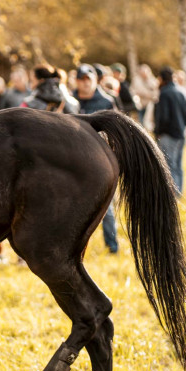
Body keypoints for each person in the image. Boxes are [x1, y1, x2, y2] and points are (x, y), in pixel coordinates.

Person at [74, 64, 119, 253]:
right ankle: (76, 247)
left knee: (105, 207)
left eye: (88, 79)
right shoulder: (70, 102)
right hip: (73, 160)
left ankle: (112, 246)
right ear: (76, 81)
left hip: (101, 160)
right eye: (82, 79)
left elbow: (117, 132)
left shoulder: (107, 103)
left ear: (95, 81)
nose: (85, 84)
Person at [153, 66, 186, 196]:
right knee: (178, 165)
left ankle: (172, 195)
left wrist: (158, 131)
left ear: (162, 79)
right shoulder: (181, 92)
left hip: (168, 133)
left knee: (169, 165)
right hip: (181, 133)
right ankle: (178, 192)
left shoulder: (164, 93)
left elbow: (163, 117)